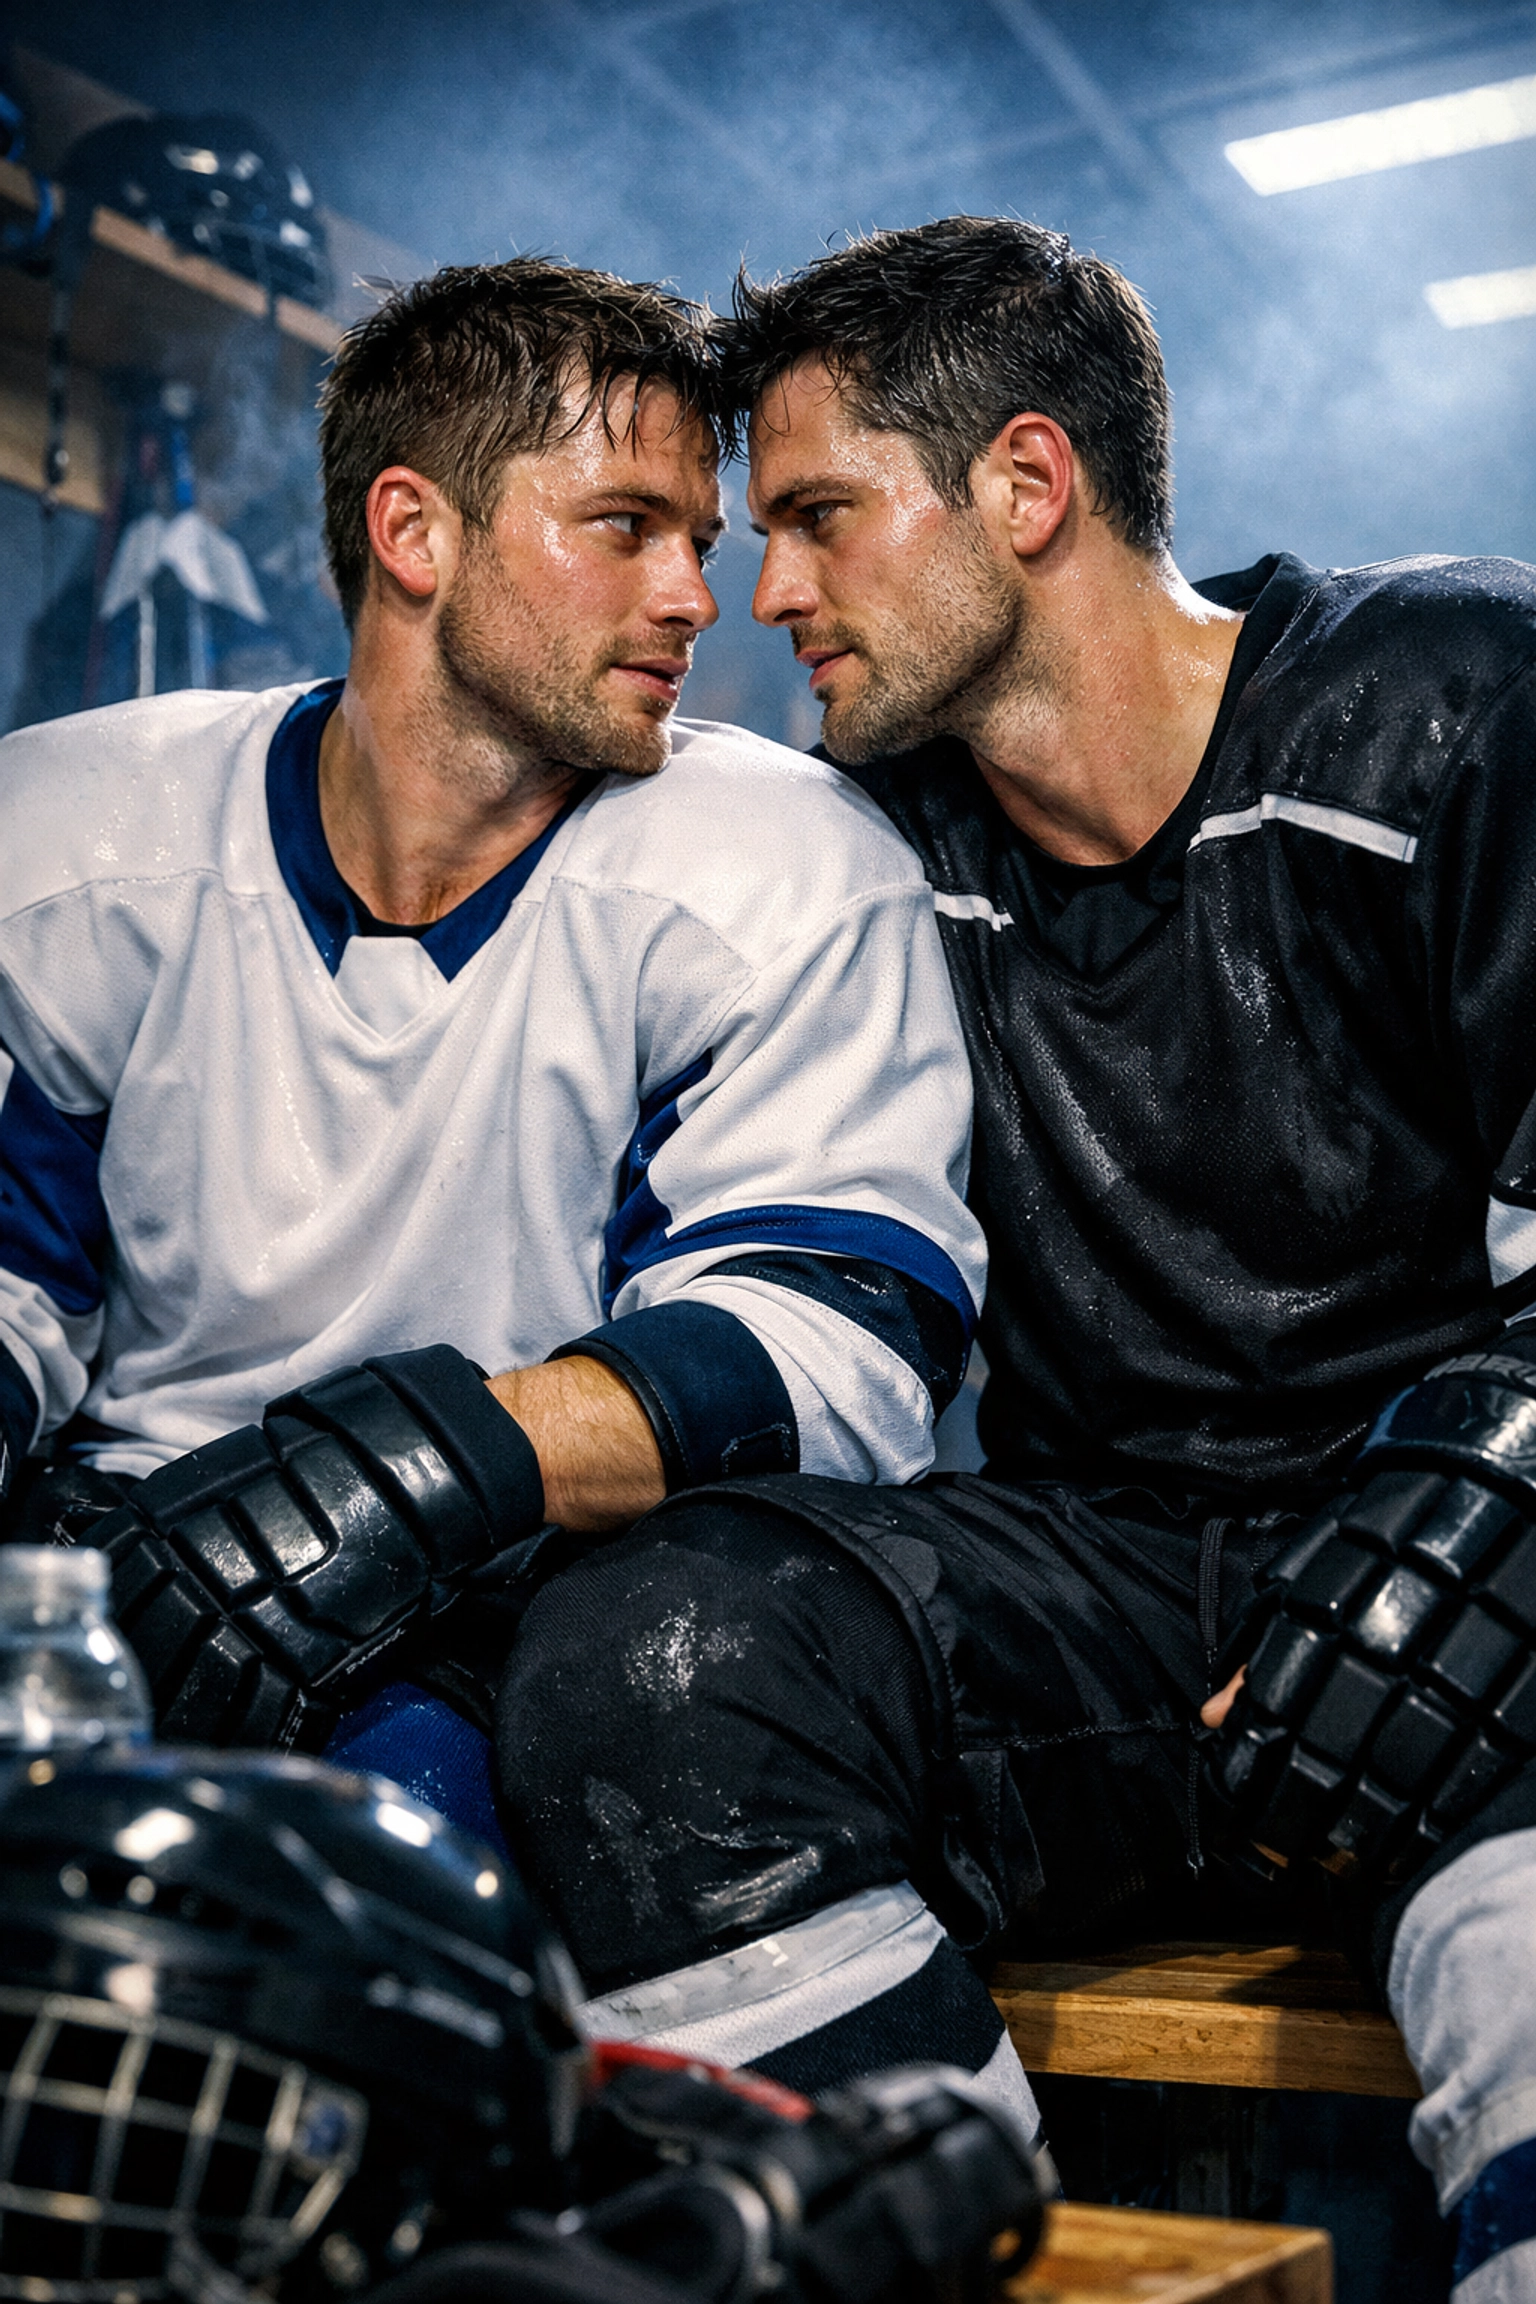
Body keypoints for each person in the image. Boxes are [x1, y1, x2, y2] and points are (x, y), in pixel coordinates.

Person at [484, 220, 1536, 2287]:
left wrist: (1476, 1517)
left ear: (1029, 489)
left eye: (814, 518)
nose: (760, 594)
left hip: (1486, 1550)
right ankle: (905, 2231)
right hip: (1119, 1581)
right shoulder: (857, 846)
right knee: (648, 1658)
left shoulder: (1465, 700)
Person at [0, 257, 983, 1844]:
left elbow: (835, 1349)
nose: (696, 597)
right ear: (414, 534)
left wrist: (396, 1485)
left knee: (388, 1910)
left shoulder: (777, 863)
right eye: (624, 528)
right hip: (107, 1552)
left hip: (500, 1602)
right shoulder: (69, 833)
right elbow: (14, 1267)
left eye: (702, 543)